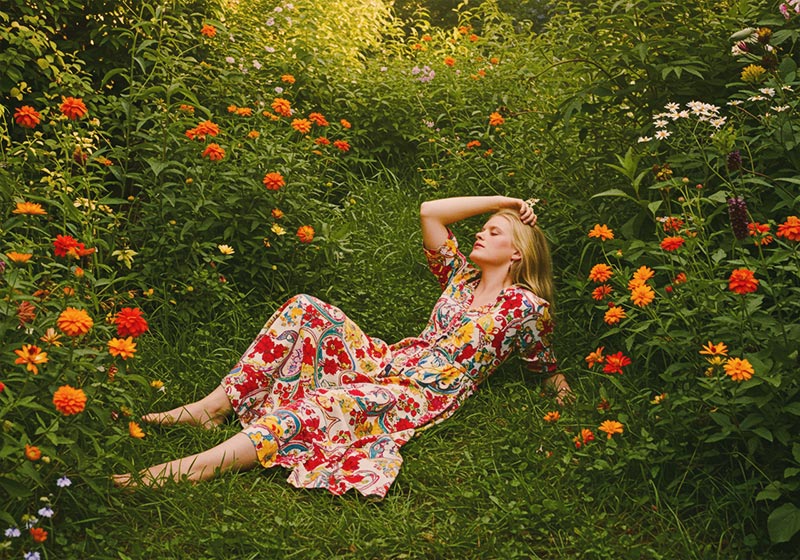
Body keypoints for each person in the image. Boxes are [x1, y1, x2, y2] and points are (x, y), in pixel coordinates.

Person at [112, 195, 571, 497]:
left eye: (494, 232)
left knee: (329, 403)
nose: (480, 233)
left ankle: (195, 467)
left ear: (518, 253)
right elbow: (431, 211)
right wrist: (507, 203)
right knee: (306, 307)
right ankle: (210, 408)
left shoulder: (526, 307)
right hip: (391, 358)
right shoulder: (460, 277)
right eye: (484, 227)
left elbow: (542, 362)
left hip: (419, 395)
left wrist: (561, 391)